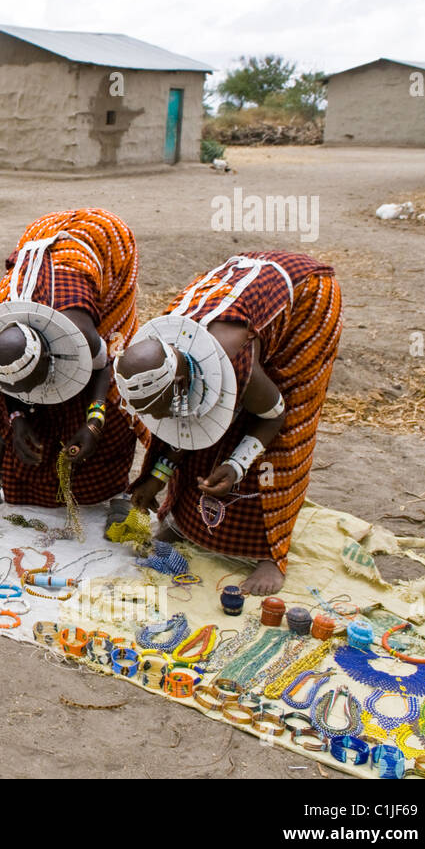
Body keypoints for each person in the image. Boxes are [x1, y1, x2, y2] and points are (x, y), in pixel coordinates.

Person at [113, 252, 342, 595]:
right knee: (200, 418)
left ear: (179, 383)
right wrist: (157, 477)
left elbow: (275, 415)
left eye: (160, 408)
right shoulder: (158, 350)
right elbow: (184, 421)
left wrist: (237, 465)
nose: (158, 419)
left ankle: (270, 553)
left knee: (282, 430)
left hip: (307, 301)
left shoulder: (234, 360)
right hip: (239, 302)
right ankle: (186, 523)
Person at [0, 208, 148, 522]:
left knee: (117, 395)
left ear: (51, 357)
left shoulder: (80, 332)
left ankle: (119, 492)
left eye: (35, 384)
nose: (32, 397)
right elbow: (11, 383)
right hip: (41, 248)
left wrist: (94, 423)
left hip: (101, 245)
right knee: (9, 401)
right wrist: (17, 418)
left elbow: (105, 364)